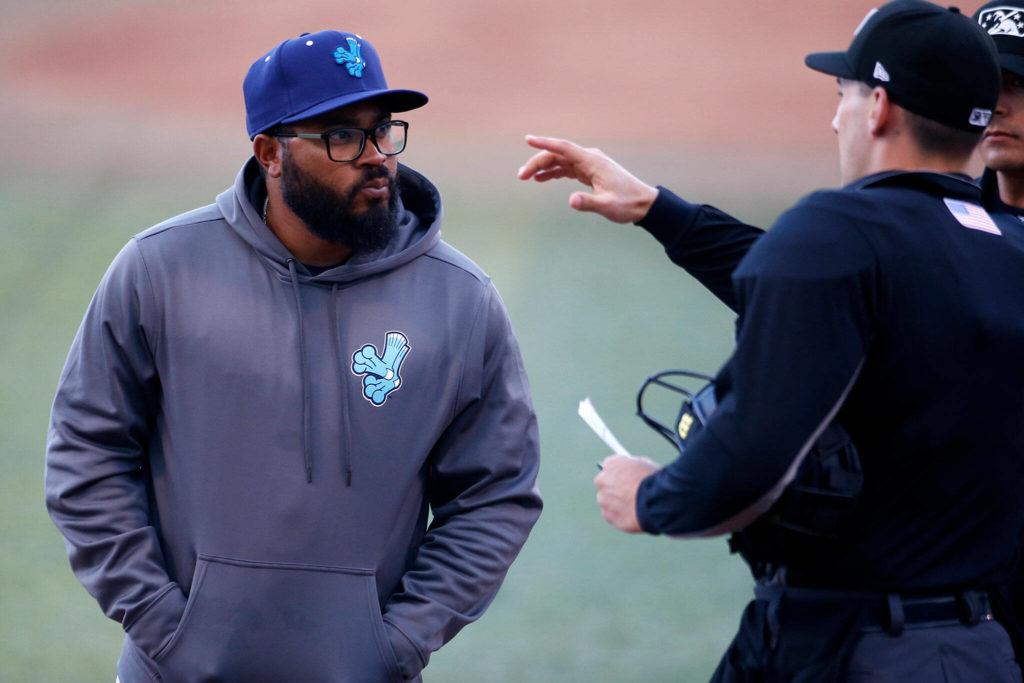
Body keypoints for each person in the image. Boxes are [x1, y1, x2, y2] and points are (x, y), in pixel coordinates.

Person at [520, 1, 1024, 680]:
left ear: (876, 107)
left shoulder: (838, 229)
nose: (834, 116)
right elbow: (850, 291)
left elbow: (753, 452)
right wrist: (657, 209)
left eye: (841, 94)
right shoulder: (1003, 250)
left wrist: (650, 494)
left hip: (858, 645)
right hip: (980, 648)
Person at [46, 30, 542, 683]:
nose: (375, 157)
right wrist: (164, 623)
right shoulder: (161, 270)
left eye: (382, 130)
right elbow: (87, 449)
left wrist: (399, 639)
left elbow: (496, 491)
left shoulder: (460, 299)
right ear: (270, 152)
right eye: (342, 135)